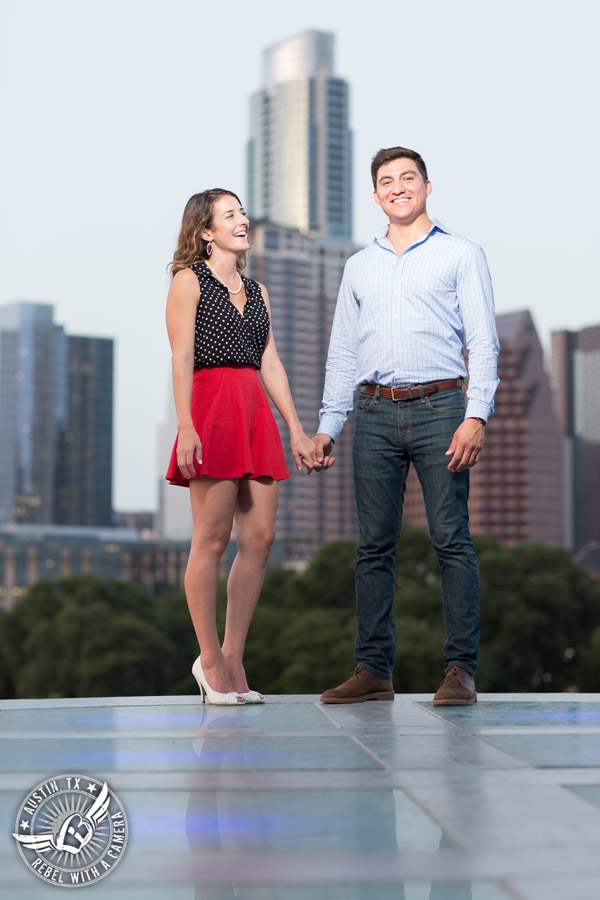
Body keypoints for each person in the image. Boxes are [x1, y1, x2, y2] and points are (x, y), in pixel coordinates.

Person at [312, 147, 499, 706]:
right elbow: (342, 352)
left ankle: (460, 671)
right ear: (375, 195)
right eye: (386, 181)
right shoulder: (358, 265)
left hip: (442, 409)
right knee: (373, 548)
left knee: (451, 541)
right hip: (372, 413)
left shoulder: (461, 254)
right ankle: (372, 671)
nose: (398, 188)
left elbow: (483, 343)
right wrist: (328, 426)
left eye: (408, 178)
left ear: (426, 186)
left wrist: (476, 415)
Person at [165, 189, 316, 705]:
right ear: (206, 231)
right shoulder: (188, 282)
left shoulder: (258, 290)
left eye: (243, 212)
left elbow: (269, 361)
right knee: (210, 540)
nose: (242, 220)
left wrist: (295, 428)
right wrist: (186, 426)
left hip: (253, 412)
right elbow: (181, 356)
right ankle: (208, 660)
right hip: (210, 411)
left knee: (261, 540)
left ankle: (233, 656)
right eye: (230, 215)